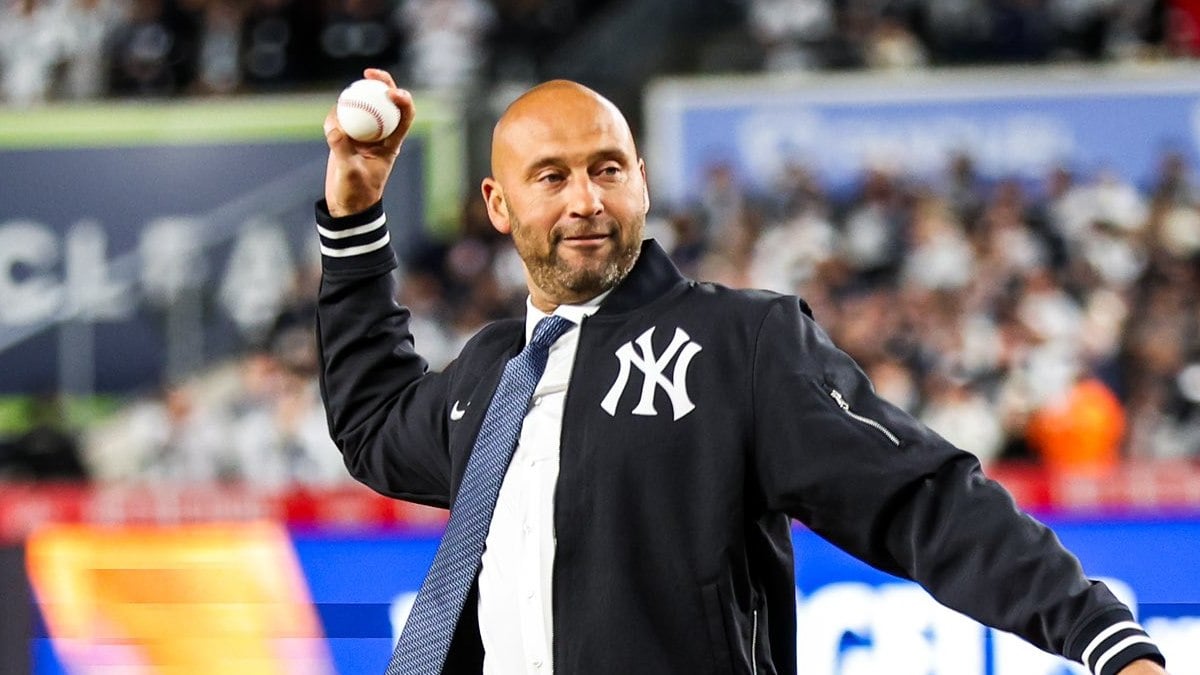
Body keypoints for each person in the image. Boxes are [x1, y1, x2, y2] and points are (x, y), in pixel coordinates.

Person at [315, 69, 1169, 675]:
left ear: (642, 183)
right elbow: (371, 426)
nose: (587, 200)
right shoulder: (488, 375)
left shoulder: (739, 342)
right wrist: (354, 221)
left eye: (608, 169)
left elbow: (920, 494)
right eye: (553, 177)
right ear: (501, 206)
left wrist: (1103, 635)